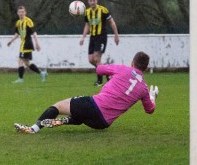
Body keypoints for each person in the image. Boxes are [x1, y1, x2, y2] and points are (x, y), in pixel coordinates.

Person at [14, 51, 158, 134]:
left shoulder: (123, 69)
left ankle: (34, 129)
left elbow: (99, 69)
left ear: (132, 62)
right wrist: (153, 97)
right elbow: (150, 110)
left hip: (94, 106)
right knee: (81, 113)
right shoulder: (144, 88)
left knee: (58, 106)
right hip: (102, 123)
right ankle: (67, 120)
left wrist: (112, 73)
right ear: (145, 68)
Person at [79, 0, 120, 86]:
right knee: (91, 59)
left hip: (101, 36)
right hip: (92, 37)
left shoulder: (103, 10)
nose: (93, 2)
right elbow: (87, 25)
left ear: (97, 1)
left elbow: (112, 22)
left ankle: (99, 81)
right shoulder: (87, 12)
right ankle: (108, 73)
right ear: (88, 2)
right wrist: (83, 37)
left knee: (97, 58)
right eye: (91, 1)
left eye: (94, 0)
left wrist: (116, 35)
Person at [7, 5, 47, 83]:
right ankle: (42, 73)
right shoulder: (18, 22)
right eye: (19, 12)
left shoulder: (28, 21)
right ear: (17, 13)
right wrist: (11, 41)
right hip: (23, 44)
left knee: (20, 60)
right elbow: (17, 34)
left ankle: (20, 79)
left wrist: (37, 44)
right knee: (27, 63)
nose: (21, 13)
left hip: (27, 43)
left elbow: (34, 33)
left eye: (22, 12)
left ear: (25, 12)